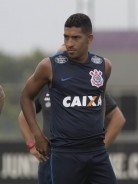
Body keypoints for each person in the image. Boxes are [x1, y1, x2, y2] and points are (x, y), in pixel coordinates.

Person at [20, 13, 117, 184]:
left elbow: (99, 100)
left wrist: (98, 131)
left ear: (89, 38)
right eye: (66, 37)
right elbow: (26, 97)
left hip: (97, 152)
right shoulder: (49, 66)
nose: (69, 43)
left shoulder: (104, 66)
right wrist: (37, 136)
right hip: (65, 153)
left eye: (75, 38)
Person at [19, 85, 125, 184]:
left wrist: (98, 148)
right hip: (51, 156)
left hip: (84, 156)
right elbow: (24, 116)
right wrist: (31, 144)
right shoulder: (44, 83)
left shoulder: (86, 82)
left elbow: (118, 118)